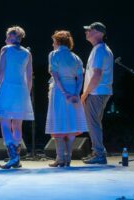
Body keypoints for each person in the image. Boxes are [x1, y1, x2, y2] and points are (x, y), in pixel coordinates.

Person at [0, 26, 34, 169]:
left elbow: (0, 71)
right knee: (17, 125)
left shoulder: (6, 49)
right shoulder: (27, 53)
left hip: (7, 88)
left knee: (5, 123)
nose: (6, 38)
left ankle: (13, 156)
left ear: (14, 37)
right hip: (21, 90)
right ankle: (16, 157)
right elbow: (29, 77)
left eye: (8, 36)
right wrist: (27, 94)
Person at [45, 30, 88, 167]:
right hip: (73, 91)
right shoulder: (75, 57)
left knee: (59, 124)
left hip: (59, 92)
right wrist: (76, 93)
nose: (52, 44)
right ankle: (68, 157)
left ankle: (60, 159)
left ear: (57, 42)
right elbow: (80, 77)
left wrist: (64, 93)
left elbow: (55, 75)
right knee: (70, 125)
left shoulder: (54, 54)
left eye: (53, 41)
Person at [81, 22, 113, 165]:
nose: (86, 32)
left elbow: (97, 74)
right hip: (101, 91)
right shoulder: (101, 49)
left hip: (96, 92)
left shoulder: (99, 50)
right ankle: (98, 152)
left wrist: (85, 93)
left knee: (92, 123)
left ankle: (99, 153)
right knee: (95, 123)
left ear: (99, 33)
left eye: (89, 30)